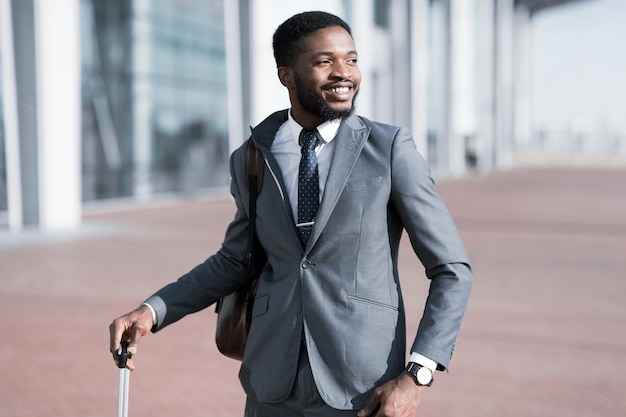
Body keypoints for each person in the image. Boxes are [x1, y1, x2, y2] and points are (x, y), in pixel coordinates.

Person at [109, 10, 472, 417]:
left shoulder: (389, 150)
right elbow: (235, 260)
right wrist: (154, 309)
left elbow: (452, 269)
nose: (343, 73)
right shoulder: (252, 156)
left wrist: (417, 374)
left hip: (361, 388)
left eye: (351, 59)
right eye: (324, 62)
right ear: (286, 75)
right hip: (271, 382)